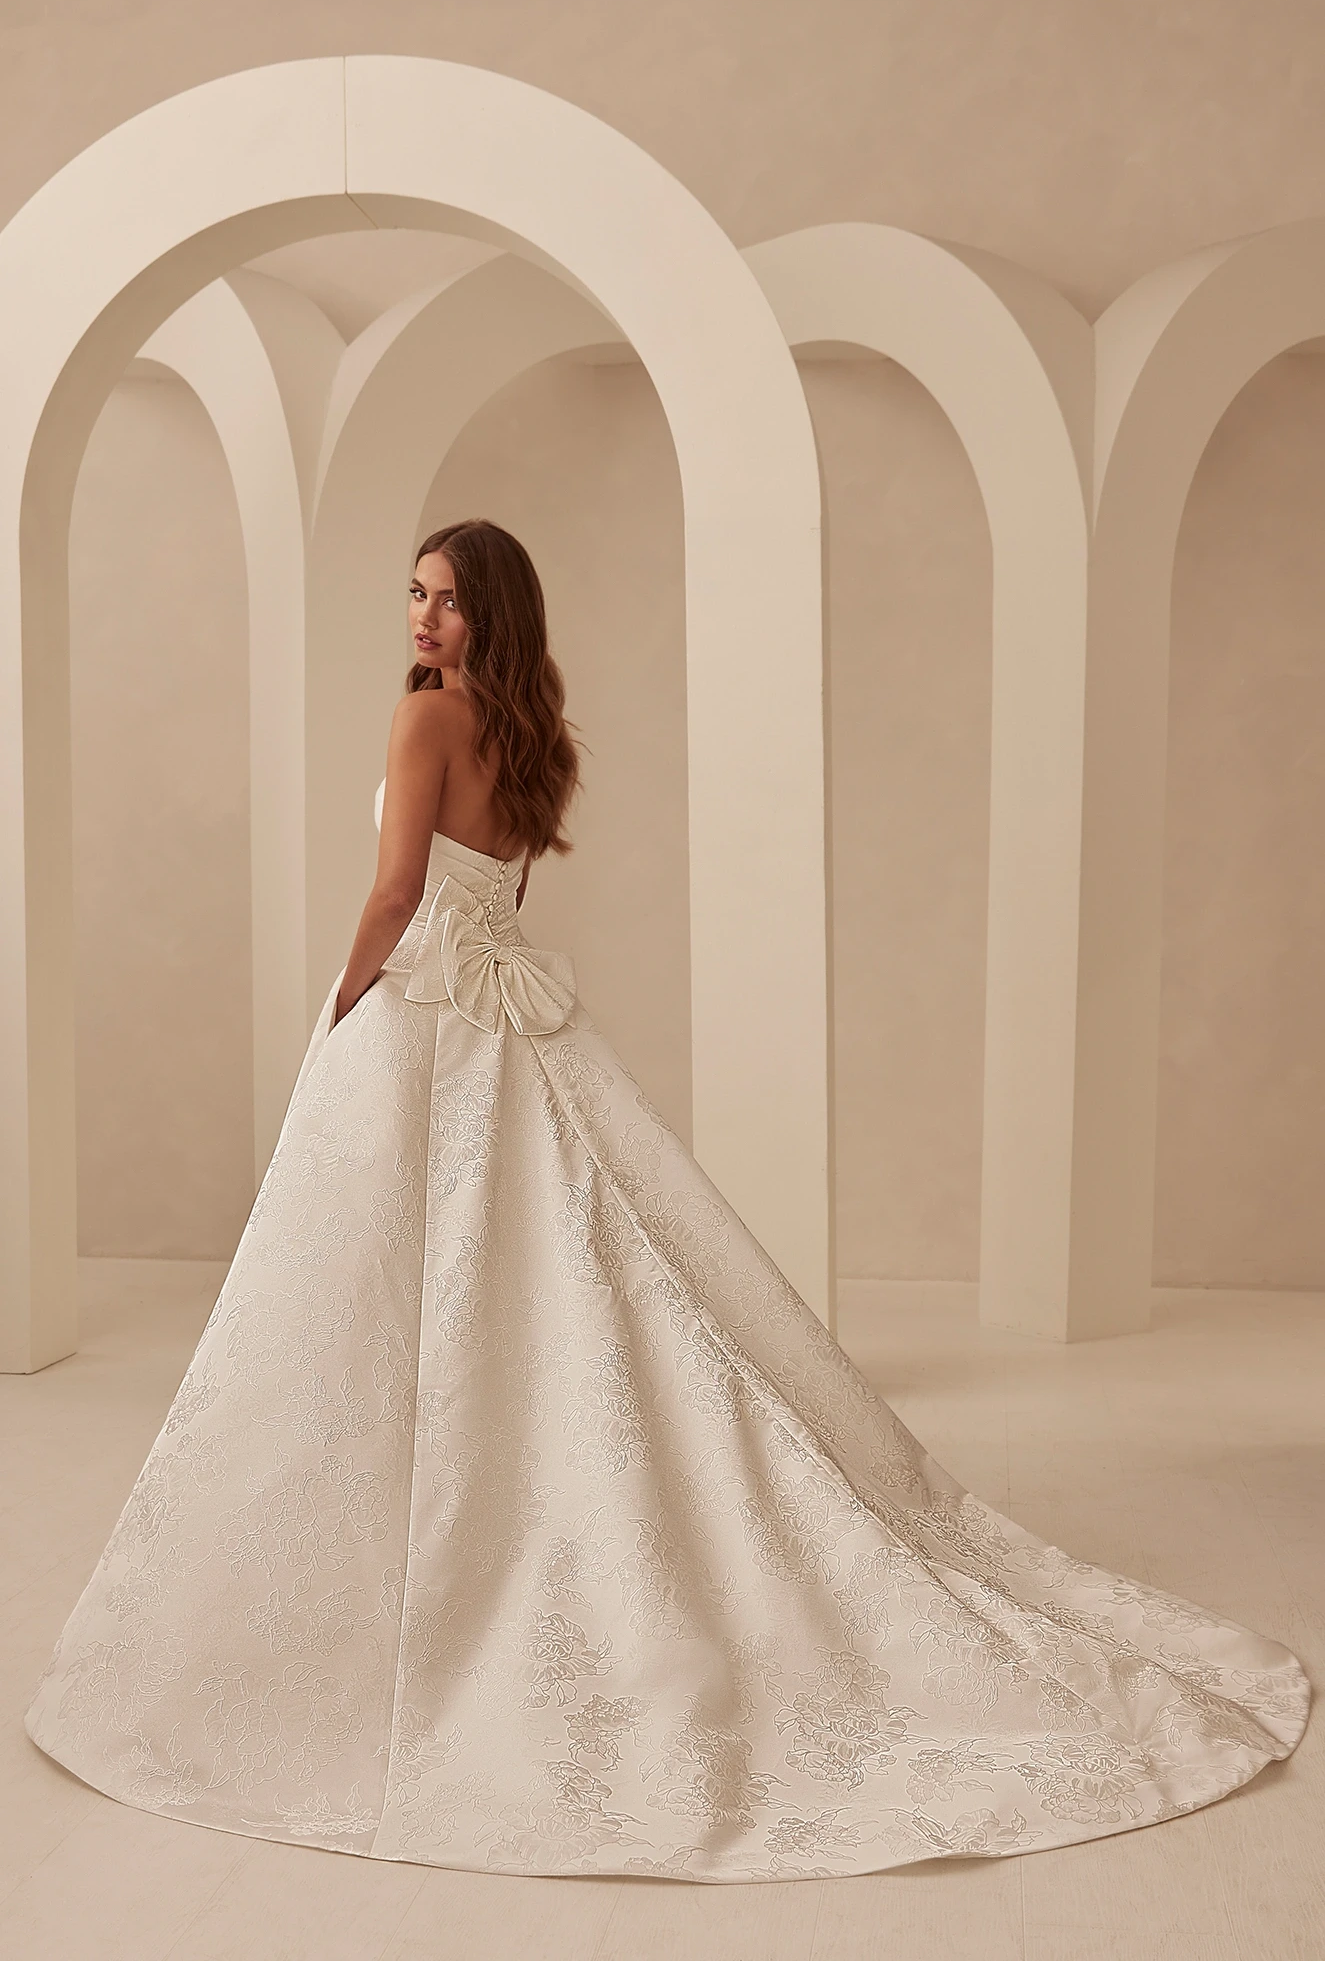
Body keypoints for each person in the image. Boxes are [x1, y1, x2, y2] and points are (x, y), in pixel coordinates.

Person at [26, 518, 1309, 1883]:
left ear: (491, 615)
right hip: (511, 1032)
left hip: (420, 1029)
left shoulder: (425, 722)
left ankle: (387, 1586)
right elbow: (489, 893)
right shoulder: (528, 738)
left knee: (378, 1295)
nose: (421, 619)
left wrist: (340, 1009)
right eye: (415, 595)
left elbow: (398, 891)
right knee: (550, 1286)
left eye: (446, 601)